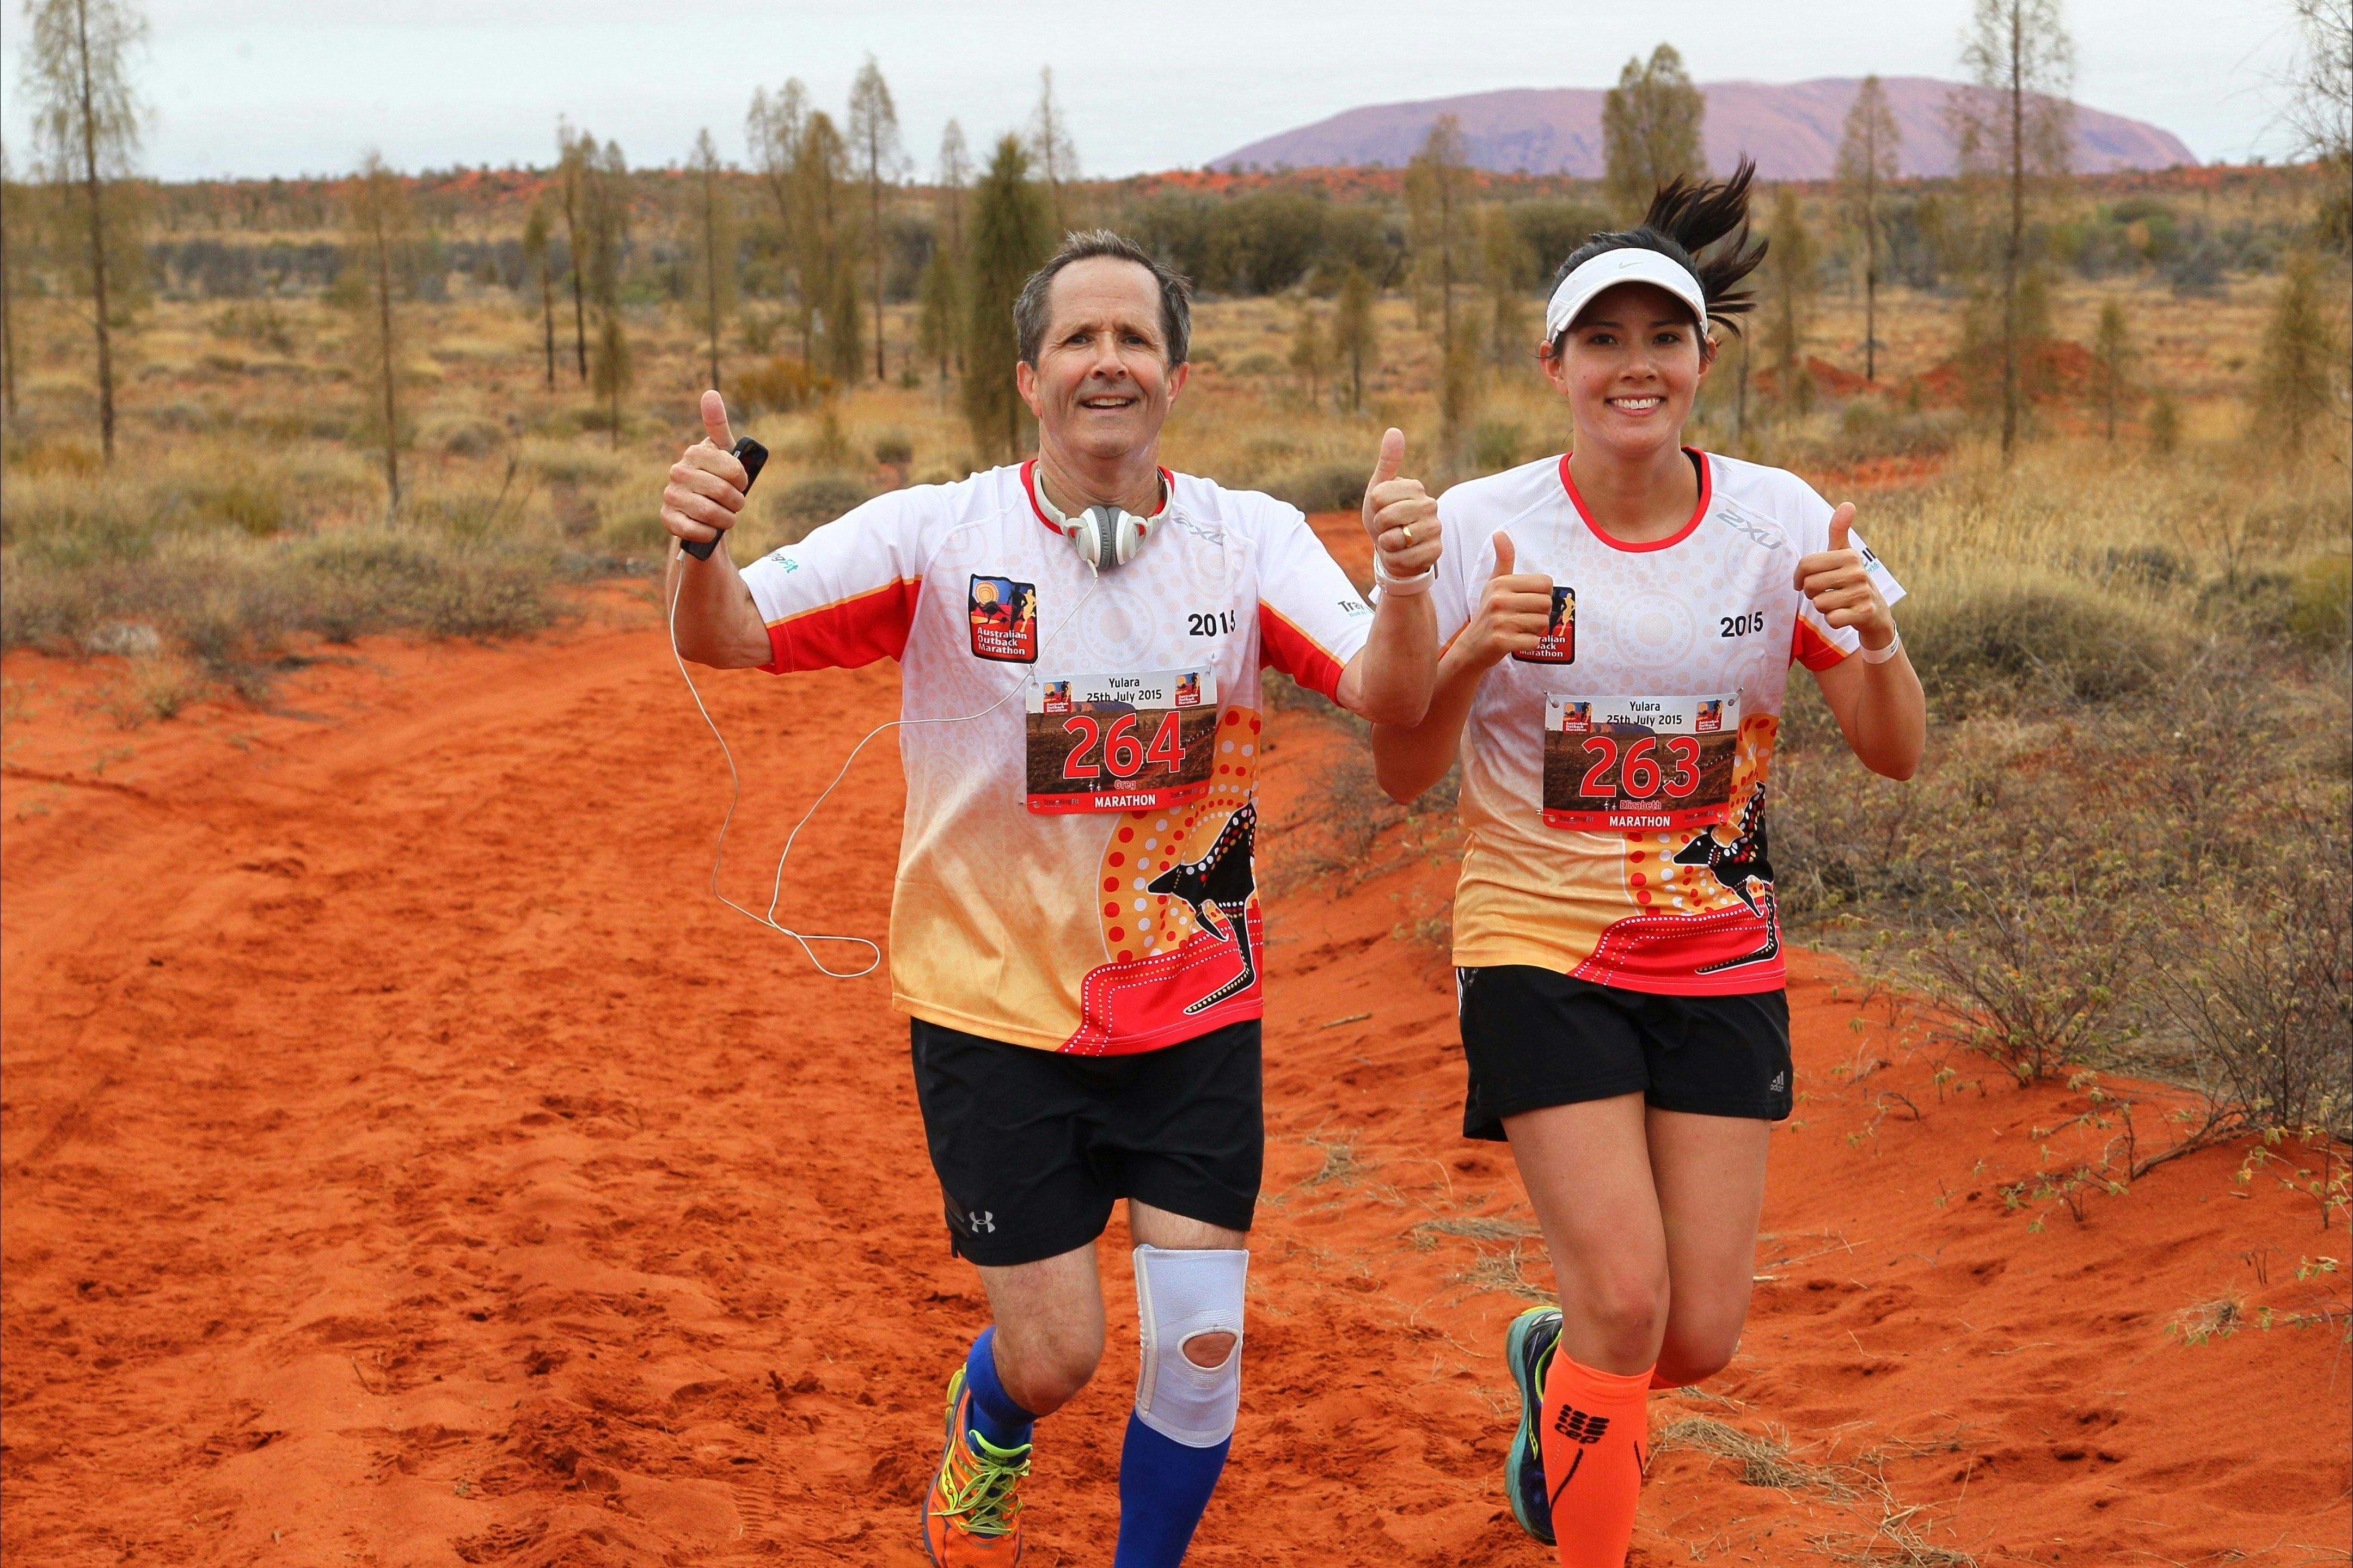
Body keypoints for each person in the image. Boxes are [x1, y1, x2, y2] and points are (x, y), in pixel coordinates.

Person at [657, 230, 1443, 1567]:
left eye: (1134, 338)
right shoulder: (938, 533)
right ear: (1028, 376)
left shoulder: (1246, 541)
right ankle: (989, 1423)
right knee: (1060, 1354)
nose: (1107, 362)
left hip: (1194, 1014)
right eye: (1078, 339)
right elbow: (725, 634)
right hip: (990, 1018)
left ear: (1177, 375)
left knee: (1198, 1355)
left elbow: (1388, 691)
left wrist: (1411, 583)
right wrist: (697, 545)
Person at [1367, 163, 1924, 1568]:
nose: (1634, 367)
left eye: (1659, 340)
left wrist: (1876, 638)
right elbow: (1400, 770)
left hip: (1719, 948)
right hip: (1536, 946)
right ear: (1552, 363)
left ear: (1703, 359)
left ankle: (1556, 1369)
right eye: (1601, 341)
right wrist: (1469, 642)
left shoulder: (1780, 520)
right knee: (1627, 1299)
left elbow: (1894, 750)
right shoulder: (1490, 521)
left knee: (1696, 1339)